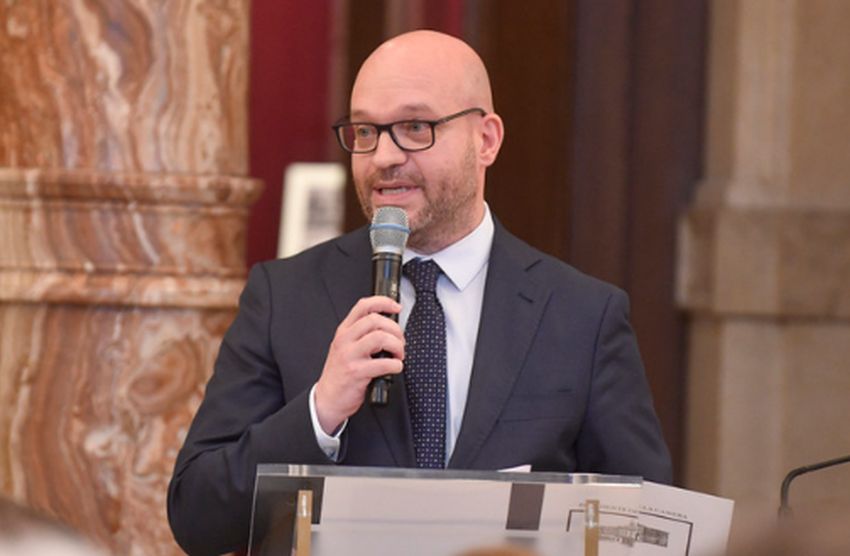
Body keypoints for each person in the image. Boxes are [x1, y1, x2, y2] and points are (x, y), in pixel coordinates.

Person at [167, 30, 671, 555]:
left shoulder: (583, 315)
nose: (384, 156)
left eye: (415, 128)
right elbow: (197, 516)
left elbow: (645, 529)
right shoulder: (284, 297)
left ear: (486, 140)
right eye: (366, 131)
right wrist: (320, 411)